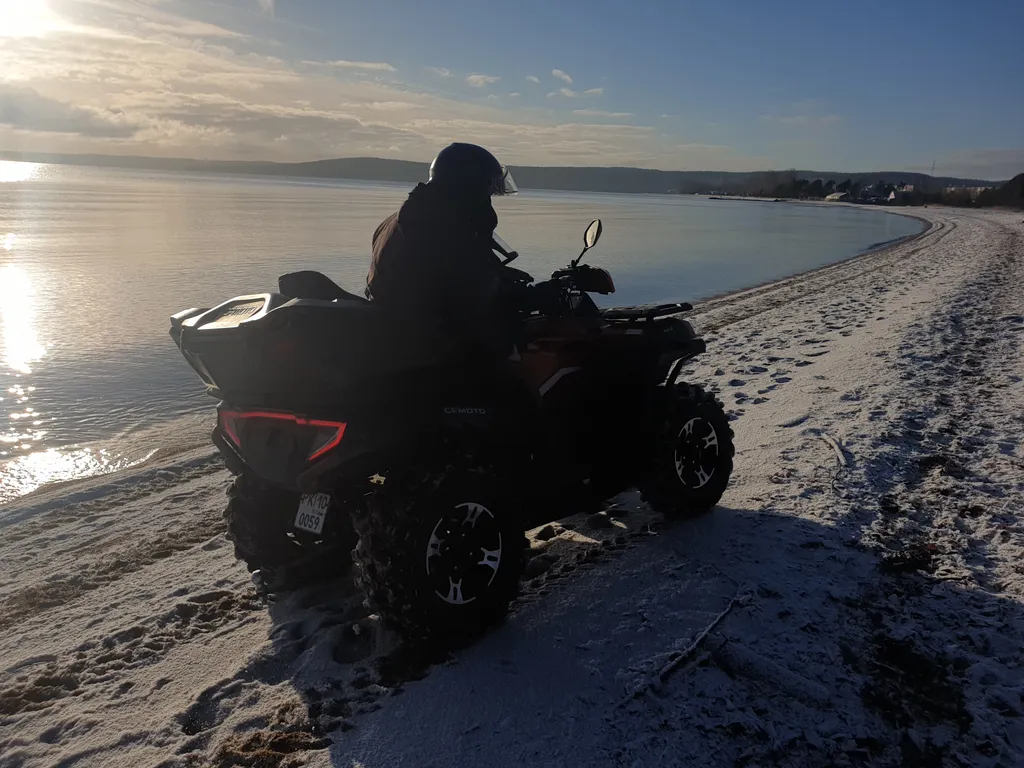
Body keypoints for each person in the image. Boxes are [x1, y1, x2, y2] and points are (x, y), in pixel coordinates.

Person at [366, 142, 560, 363]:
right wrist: (534, 296)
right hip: (434, 346)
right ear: (471, 186)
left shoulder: (407, 217)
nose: (488, 198)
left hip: (402, 332)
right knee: (525, 373)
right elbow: (473, 293)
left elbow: (448, 276)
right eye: (488, 189)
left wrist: (501, 279)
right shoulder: (441, 225)